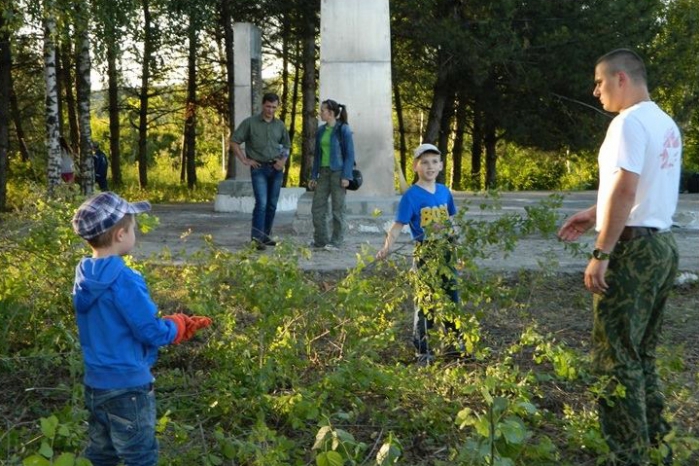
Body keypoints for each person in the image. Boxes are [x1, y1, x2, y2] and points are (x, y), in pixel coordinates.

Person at [558, 49, 681, 465]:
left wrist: (601, 252)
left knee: (615, 359)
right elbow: (637, 189)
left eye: (600, 81)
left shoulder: (626, 123)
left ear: (621, 79)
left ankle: (628, 456)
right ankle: (656, 445)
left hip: (632, 251)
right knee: (640, 353)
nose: (595, 91)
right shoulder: (664, 122)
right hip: (662, 246)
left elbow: (626, 189)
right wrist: (594, 212)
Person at [72, 191, 212, 466]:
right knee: (140, 456)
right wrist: (177, 326)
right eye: (134, 228)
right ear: (120, 235)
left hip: (95, 384)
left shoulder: (84, 275)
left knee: (102, 454)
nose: (135, 233)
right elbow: (150, 330)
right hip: (128, 387)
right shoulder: (124, 279)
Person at [376, 143, 463, 365]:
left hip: (446, 250)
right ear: (416, 166)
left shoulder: (444, 191)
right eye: (424, 162)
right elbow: (397, 226)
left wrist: (457, 245)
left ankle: (454, 346)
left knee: (452, 297)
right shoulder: (411, 197)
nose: (430, 166)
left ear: (441, 165)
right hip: (425, 252)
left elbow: (451, 220)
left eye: (434, 162)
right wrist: (386, 247)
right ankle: (422, 351)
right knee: (426, 302)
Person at [232, 92, 291, 250]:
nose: (270, 110)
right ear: (262, 105)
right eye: (268, 106)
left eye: (274, 107)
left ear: (277, 107)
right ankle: (256, 239)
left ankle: (265, 236)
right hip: (259, 168)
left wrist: (282, 161)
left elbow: (286, 145)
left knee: (272, 204)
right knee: (262, 203)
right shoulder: (250, 123)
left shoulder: (279, 125)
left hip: (276, 169)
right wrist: (245, 160)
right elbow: (234, 141)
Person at [308, 99, 355, 251]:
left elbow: (350, 155)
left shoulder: (343, 129)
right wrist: (314, 176)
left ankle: (336, 242)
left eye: (322, 110)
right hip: (323, 172)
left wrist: (347, 176)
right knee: (317, 207)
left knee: (338, 208)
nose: (320, 113)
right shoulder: (321, 130)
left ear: (331, 113)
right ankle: (321, 240)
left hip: (338, 173)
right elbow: (317, 156)